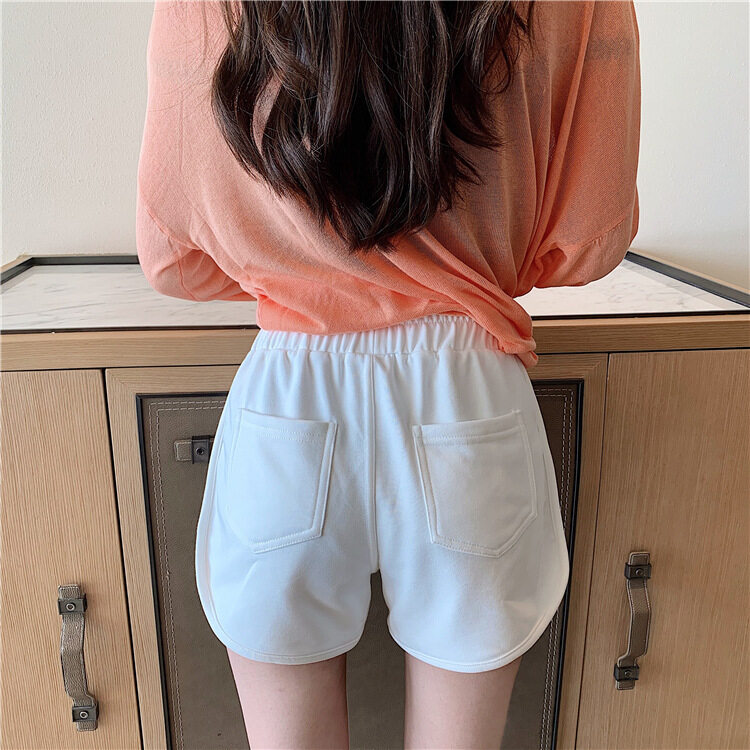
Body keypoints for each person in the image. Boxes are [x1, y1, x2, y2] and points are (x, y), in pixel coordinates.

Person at [136, 1, 640, 747]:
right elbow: (589, 239)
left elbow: (173, 258)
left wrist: (305, 267)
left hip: (290, 399)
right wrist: (467, 258)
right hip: (467, 394)